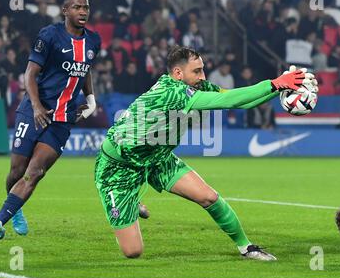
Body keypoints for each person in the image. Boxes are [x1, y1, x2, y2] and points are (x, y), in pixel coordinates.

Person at [94, 46, 315, 260]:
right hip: (118, 168)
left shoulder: (196, 87)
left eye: (202, 69)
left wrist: (281, 89)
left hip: (157, 158)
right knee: (133, 251)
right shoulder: (173, 92)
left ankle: (246, 247)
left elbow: (239, 101)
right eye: (197, 71)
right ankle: (130, 203)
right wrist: (275, 84)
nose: (202, 75)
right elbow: (229, 100)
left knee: (208, 197)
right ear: (178, 73)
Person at [0, 0, 103, 240]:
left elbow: (84, 69)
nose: (83, 12)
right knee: (16, 171)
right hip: (34, 111)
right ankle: (15, 210)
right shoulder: (49, 35)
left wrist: (90, 99)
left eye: (86, 8)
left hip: (62, 118)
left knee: (35, 172)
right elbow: (30, 73)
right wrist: (36, 106)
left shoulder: (93, 40)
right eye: (77, 7)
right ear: (65, 10)